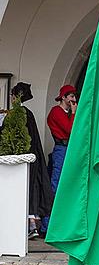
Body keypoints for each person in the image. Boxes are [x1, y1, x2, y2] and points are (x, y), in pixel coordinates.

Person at [10, 82, 54, 238]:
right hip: (33, 156)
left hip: (24, 158)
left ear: (15, 96)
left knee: (27, 189)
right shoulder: (28, 113)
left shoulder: (18, 113)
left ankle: (30, 226)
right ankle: (33, 225)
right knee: (33, 187)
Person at [47, 84, 77, 195]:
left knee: (69, 178)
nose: (74, 100)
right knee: (58, 177)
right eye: (71, 96)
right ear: (63, 97)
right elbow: (70, 130)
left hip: (69, 148)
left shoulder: (67, 113)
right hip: (61, 148)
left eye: (74, 97)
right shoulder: (56, 111)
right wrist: (74, 113)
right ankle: (53, 206)